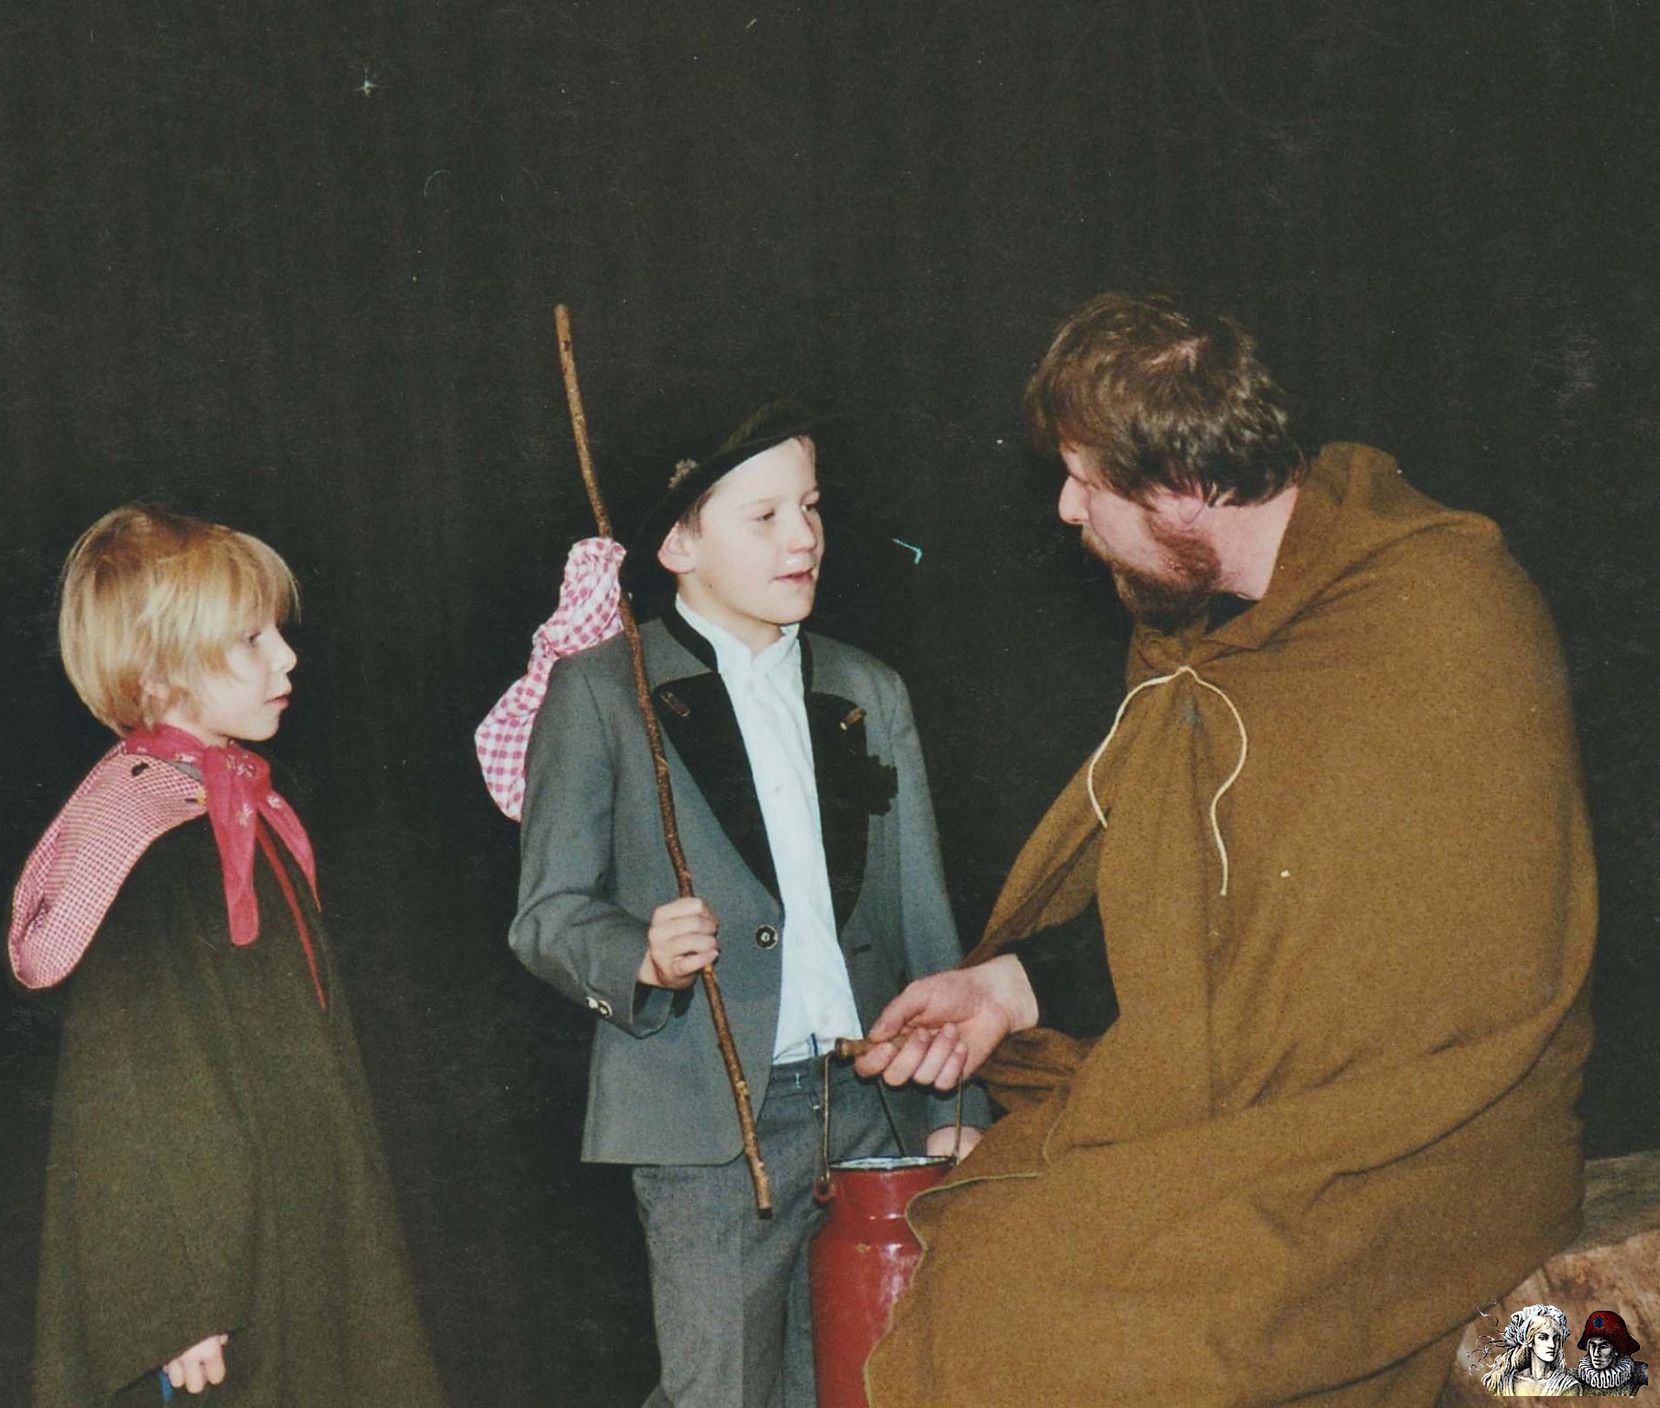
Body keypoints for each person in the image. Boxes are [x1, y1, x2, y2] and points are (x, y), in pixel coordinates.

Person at [854, 293, 1594, 1406]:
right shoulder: (1209, 638)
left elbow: (1428, 978)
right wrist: (1007, 987)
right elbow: (1206, 912)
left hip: (1436, 1132)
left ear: (1184, 489)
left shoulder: (1433, 611)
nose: (1065, 508)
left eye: (1086, 482)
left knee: (1034, 1297)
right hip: (1279, 1100)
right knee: (1004, 1241)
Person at [507, 404, 971, 1408]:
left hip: (873, 1108)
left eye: (810, 506)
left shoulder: (869, 688)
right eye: (763, 516)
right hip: (713, 1129)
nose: (803, 537)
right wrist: (639, 954)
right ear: (678, 546)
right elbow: (546, 913)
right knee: (722, 1392)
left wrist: (955, 1107)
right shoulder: (602, 692)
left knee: (880, 1385)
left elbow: (924, 919)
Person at [11, 505, 447, 1406]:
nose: (286, 659)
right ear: (156, 669)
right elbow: (135, 1089)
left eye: (276, 633)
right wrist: (177, 1297)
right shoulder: (146, 834)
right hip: (226, 1273)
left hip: (295, 1214)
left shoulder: (236, 808)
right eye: (251, 639)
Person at [1483, 1304, 1583, 1396]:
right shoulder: (1506, 1382)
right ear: (1529, 1341)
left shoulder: (1567, 1385)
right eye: (1543, 1338)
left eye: (1556, 1339)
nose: (1552, 1345)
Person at [1574, 1310, 1650, 1396]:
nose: (1596, 1354)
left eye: (1603, 1347)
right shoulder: (1575, 1377)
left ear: (1616, 1350)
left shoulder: (1639, 1372)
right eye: (1593, 1346)